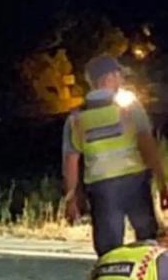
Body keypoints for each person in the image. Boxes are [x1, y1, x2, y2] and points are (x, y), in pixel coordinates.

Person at [63, 54, 168, 257]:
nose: (121, 79)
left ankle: (112, 277)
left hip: (101, 189)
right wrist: (162, 183)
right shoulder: (129, 108)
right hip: (135, 184)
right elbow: (148, 147)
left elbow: (71, 162)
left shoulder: (75, 118)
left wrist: (71, 199)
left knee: (109, 251)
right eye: (118, 74)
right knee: (148, 246)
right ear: (109, 77)